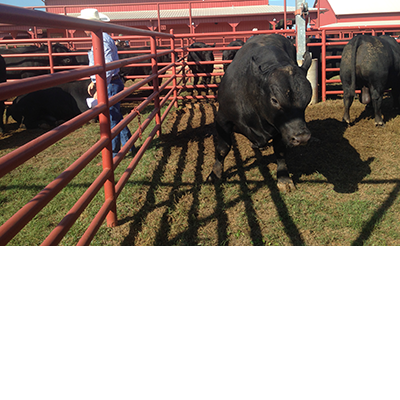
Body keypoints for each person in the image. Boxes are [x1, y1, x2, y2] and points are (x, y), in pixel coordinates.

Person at [77, 8, 135, 158]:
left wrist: (99, 84)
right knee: (113, 116)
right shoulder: (100, 37)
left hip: (109, 83)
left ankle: (117, 151)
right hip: (110, 82)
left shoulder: (102, 38)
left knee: (112, 117)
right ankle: (127, 146)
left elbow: (108, 66)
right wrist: (93, 80)